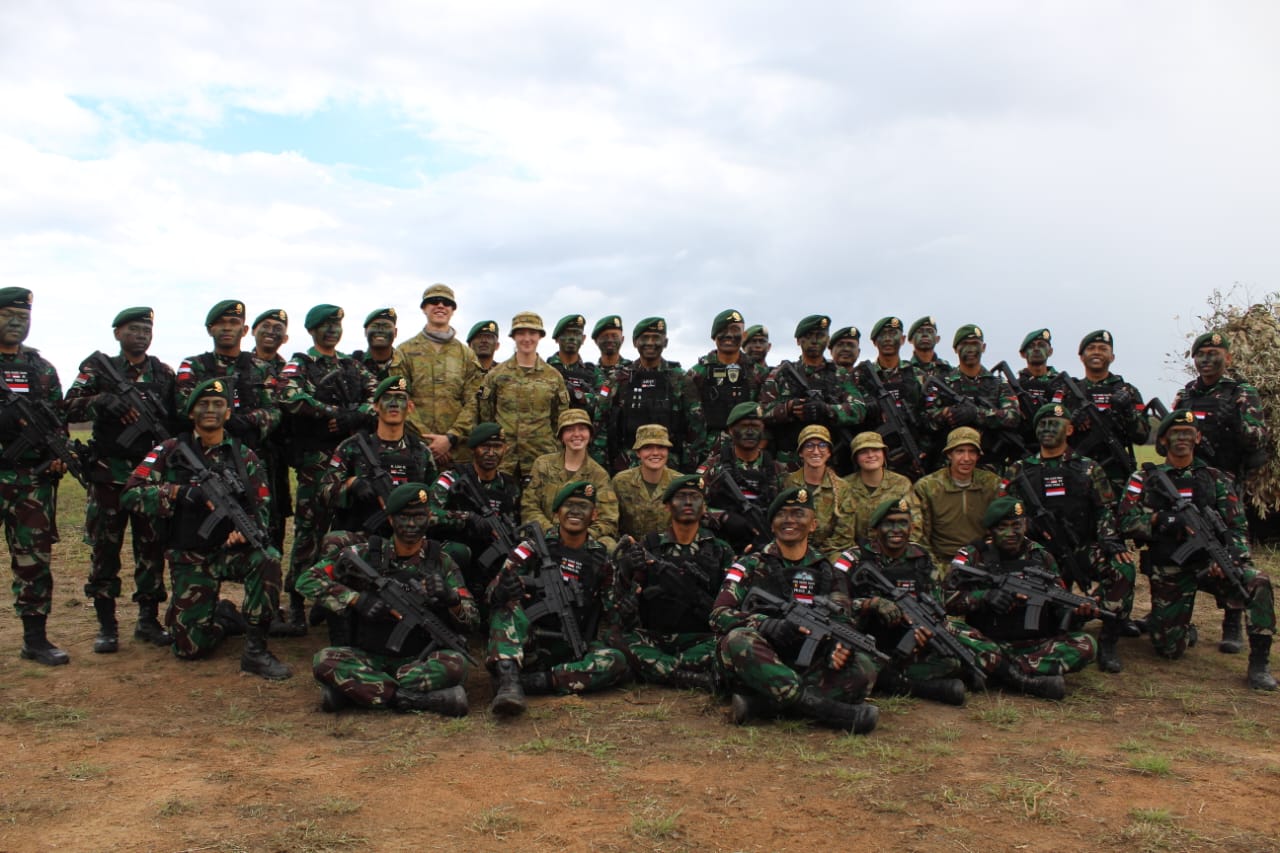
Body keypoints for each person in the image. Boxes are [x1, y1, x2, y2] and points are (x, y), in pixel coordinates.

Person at [122, 377, 292, 680]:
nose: (210, 409)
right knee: (189, 649)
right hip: (189, 556)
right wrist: (177, 493)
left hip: (230, 552)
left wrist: (247, 529)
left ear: (228, 413)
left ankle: (255, 649)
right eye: (203, 404)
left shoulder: (245, 456)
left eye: (218, 404)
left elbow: (263, 506)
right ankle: (225, 618)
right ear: (191, 413)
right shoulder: (170, 450)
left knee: (267, 558)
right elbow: (131, 494)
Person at [1120, 410, 1276, 690]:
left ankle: (1259, 664)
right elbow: (1126, 521)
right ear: (1164, 440)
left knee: (1257, 582)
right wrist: (1161, 520)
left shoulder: (1216, 478)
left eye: (1188, 433)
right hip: (1170, 567)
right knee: (1168, 650)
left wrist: (1231, 557)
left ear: (1198, 438)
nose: (1182, 438)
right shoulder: (1144, 478)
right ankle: (1182, 628)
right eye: (1175, 433)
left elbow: (1237, 528)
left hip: (1210, 564)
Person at [710, 487, 883, 733]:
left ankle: (764, 706)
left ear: (813, 525)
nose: (790, 520)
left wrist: (838, 647)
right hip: (762, 658)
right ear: (772, 525)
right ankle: (831, 712)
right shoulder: (749, 565)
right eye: (782, 514)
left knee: (865, 666)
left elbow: (842, 618)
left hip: (807, 661)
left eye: (798, 514)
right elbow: (718, 615)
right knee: (737, 640)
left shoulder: (829, 572)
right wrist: (766, 624)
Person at [298, 482, 477, 715]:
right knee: (324, 660)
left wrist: (451, 599)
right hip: (367, 657)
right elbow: (306, 581)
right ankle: (412, 699)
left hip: (416, 662)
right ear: (391, 520)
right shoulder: (364, 554)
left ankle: (358, 691)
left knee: (456, 665)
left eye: (419, 516)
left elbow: (472, 620)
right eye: (404, 517)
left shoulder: (443, 563)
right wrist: (355, 599)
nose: (412, 524)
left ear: (429, 517)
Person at [65, 306, 175, 653]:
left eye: (146, 329)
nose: (141, 335)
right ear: (117, 333)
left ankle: (148, 619)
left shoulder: (163, 373)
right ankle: (107, 625)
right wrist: (103, 401)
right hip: (107, 475)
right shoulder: (98, 368)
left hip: (149, 479)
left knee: (151, 550)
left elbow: (176, 419)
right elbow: (67, 406)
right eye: (133, 329)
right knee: (104, 551)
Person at [1003, 403, 1134, 673]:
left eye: (1055, 423)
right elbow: (1007, 514)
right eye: (1043, 424)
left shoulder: (1088, 468)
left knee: (1122, 567)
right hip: (1040, 554)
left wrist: (1109, 540)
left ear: (1070, 429)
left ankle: (1108, 640)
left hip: (1082, 548)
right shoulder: (1018, 470)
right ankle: (1056, 626)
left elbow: (1105, 510)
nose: (1048, 429)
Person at [487, 481, 630, 716]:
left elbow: (613, 612)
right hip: (530, 645)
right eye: (568, 506)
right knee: (507, 611)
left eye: (583, 506)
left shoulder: (600, 559)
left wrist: (628, 585)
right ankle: (509, 684)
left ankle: (535, 682)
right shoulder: (532, 548)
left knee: (616, 661)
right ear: (556, 513)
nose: (575, 512)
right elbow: (492, 594)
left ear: (594, 515)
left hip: (574, 649)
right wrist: (504, 589)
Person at [277, 304, 378, 634]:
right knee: (309, 533)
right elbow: (289, 395)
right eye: (325, 325)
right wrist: (330, 411)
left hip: (352, 460)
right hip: (315, 463)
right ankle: (296, 601)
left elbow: (378, 395)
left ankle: (332, 599)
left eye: (336, 324)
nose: (332, 330)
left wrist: (354, 415)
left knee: (347, 530)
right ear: (311, 330)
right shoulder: (301, 364)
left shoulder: (351, 366)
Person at [943, 497, 1098, 699]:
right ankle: (1022, 678)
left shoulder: (1041, 557)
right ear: (990, 530)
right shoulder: (972, 556)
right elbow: (944, 599)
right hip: (988, 643)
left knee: (1087, 645)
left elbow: (1060, 606)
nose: (1011, 534)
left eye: (1016, 526)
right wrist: (984, 597)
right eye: (1003, 527)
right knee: (948, 629)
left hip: (1036, 647)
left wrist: (1078, 614)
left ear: (1025, 525)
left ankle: (1001, 672)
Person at [608, 474, 734, 692]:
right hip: (655, 638)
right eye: (681, 497)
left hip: (702, 639)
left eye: (694, 497)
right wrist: (626, 573)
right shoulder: (649, 545)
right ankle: (689, 675)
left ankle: (659, 670)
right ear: (667, 506)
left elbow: (732, 599)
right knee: (616, 639)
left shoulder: (720, 549)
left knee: (729, 644)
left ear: (704, 507)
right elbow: (621, 599)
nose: (687, 503)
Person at [840, 499, 973, 705]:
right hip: (865, 639)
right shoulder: (854, 558)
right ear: (876, 529)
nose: (896, 530)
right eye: (889, 523)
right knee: (857, 667)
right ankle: (898, 682)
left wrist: (928, 630)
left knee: (951, 660)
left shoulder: (921, 558)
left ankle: (890, 679)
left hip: (906, 642)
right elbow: (836, 604)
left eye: (902, 523)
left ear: (911, 527)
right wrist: (869, 604)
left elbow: (937, 601)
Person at [0, 287, 71, 665]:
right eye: (8, 315)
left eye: (23, 317)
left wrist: (58, 453)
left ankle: (35, 639)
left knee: (33, 561)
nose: (16, 323)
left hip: (31, 481)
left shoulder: (41, 368)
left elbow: (58, 418)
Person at [319, 376, 436, 539]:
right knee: (333, 542)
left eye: (400, 399)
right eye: (387, 398)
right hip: (362, 538)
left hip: (409, 539)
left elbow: (435, 500)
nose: (394, 404)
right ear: (375, 406)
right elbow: (324, 493)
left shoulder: (421, 452)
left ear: (410, 407)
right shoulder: (352, 447)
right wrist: (353, 484)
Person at [390, 283, 484, 466]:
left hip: (458, 453)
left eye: (447, 303)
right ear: (424, 308)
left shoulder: (467, 355)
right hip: (416, 450)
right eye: (433, 302)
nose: (440, 306)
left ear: (452, 310)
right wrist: (430, 442)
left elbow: (474, 403)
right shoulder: (405, 352)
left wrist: (450, 438)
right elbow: (399, 399)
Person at [595, 316, 704, 473]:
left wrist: (688, 467)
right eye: (645, 338)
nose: (650, 343)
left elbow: (696, 426)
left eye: (656, 338)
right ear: (634, 342)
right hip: (626, 466)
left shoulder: (680, 379)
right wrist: (605, 465)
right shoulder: (618, 379)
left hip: (670, 466)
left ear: (665, 342)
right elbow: (601, 424)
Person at [759, 314, 866, 470]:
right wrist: (788, 408)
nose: (815, 341)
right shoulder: (781, 374)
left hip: (830, 460)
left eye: (820, 336)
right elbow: (761, 411)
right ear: (798, 341)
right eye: (808, 336)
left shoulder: (839, 374)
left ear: (828, 340)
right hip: (789, 462)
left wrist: (827, 410)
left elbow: (859, 409)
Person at [428, 423, 522, 601]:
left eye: (497, 447)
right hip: (455, 554)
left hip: (492, 559)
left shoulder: (509, 487)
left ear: (505, 449)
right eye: (485, 447)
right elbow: (427, 514)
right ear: (473, 449)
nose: (491, 453)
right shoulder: (452, 478)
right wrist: (466, 518)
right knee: (459, 551)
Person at [175, 300, 280, 453]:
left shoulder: (262, 368)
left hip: (250, 452)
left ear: (244, 330)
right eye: (220, 323)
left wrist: (247, 420)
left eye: (234, 322)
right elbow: (183, 408)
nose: (227, 328)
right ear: (210, 330)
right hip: (202, 451)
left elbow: (274, 412)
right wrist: (221, 417)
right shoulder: (194, 366)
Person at [478, 311, 570, 482]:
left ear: (540, 336)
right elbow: (486, 417)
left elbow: (560, 421)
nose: (527, 339)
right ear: (513, 336)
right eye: (521, 333)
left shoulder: (553, 377)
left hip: (542, 460)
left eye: (532, 333)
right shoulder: (496, 375)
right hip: (504, 461)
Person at [1172, 330, 1267, 487]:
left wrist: (1236, 423)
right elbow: (1164, 445)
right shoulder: (1185, 395)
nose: (1206, 359)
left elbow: (1259, 441)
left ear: (1228, 359)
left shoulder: (1241, 392)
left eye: (1213, 353)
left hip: (1226, 481)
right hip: (1187, 478)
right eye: (1200, 354)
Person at [923, 324, 1022, 472]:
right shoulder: (943, 382)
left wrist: (976, 414)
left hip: (990, 464)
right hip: (949, 466)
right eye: (964, 344)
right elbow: (926, 418)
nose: (970, 349)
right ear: (955, 349)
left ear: (983, 347)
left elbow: (1012, 417)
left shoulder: (998, 384)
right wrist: (948, 412)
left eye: (975, 344)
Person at [1062, 329, 1149, 498]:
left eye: (1103, 348)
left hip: (1116, 472)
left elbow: (1142, 436)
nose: (1096, 352)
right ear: (1081, 357)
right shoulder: (1069, 392)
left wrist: (1128, 413)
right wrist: (1070, 422)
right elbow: (1050, 432)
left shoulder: (1128, 391)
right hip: (1076, 470)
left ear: (1112, 357)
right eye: (1091, 348)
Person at [523, 409, 619, 548]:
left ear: (590, 435)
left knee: (609, 546)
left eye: (582, 429)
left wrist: (580, 536)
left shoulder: (599, 474)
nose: (576, 434)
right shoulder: (543, 465)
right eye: (569, 430)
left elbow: (608, 520)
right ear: (561, 436)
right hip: (544, 537)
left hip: (580, 542)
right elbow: (529, 507)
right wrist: (551, 532)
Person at [698, 402, 786, 554]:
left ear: (763, 429)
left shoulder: (778, 470)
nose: (750, 432)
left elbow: (789, 511)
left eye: (755, 426)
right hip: (721, 546)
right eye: (744, 426)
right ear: (731, 430)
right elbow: (693, 506)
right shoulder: (712, 467)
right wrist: (723, 518)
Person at [851, 316, 934, 477]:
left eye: (893, 334)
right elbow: (852, 410)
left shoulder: (917, 376)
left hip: (910, 456)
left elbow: (928, 416)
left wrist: (922, 450)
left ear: (903, 340)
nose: (888, 339)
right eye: (883, 335)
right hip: (870, 457)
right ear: (874, 342)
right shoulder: (861, 376)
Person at [912, 427, 1001, 573]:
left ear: (978, 456)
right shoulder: (927, 486)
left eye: (972, 452)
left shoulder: (992, 484)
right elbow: (919, 536)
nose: (966, 458)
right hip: (941, 562)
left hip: (981, 562)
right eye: (960, 451)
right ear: (949, 454)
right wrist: (937, 569)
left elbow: (1001, 527)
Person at [685, 309, 766, 463]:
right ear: (714, 336)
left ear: (743, 336)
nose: (729, 335)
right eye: (723, 330)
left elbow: (766, 415)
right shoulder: (697, 373)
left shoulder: (757, 373)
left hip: (748, 452)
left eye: (735, 330)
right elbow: (691, 420)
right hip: (707, 453)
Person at [248, 308, 293, 551]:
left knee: (275, 515)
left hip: (278, 457)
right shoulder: (240, 366)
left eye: (278, 329)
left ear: (285, 338)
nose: (271, 332)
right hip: (244, 453)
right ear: (253, 331)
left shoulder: (290, 371)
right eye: (265, 326)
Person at [781, 425, 858, 561]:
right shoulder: (787, 483)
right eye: (809, 446)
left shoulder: (842, 488)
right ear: (801, 452)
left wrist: (815, 556)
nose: (816, 451)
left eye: (822, 445)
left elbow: (844, 535)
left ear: (829, 453)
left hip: (829, 552)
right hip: (792, 547)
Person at [841, 431, 920, 545]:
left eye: (876, 450)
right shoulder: (845, 485)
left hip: (893, 549)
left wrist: (897, 549)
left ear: (884, 454)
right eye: (864, 452)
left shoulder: (901, 484)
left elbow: (915, 523)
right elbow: (838, 530)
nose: (871, 455)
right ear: (856, 458)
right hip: (855, 552)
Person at [612, 424, 684, 539]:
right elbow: (611, 522)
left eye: (661, 447)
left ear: (667, 451)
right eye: (647, 447)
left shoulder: (680, 484)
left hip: (668, 552)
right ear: (638, 452)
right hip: (629, 551)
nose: (655, 453)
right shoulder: (620, 482)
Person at [547, 314, 603, 417]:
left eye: (577, 333)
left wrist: (578, 395)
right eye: (567, 333)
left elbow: (604, 401)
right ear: (557, 338)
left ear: (583, 339)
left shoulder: (593, 372)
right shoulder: (546, 370)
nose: (572, 338)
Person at [351, 307, 398, 381]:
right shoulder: (350, 363)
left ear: (395, 332)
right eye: (375, 326)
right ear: (366, 332)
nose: (380, 330)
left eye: (387, 326)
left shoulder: (407, 364)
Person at [591, 314, 630, 387]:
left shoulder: (632, 371)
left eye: (614, 336)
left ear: (622, 339)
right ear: (596, 341)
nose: (610, 340)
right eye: (605, 336)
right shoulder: (590, 373)